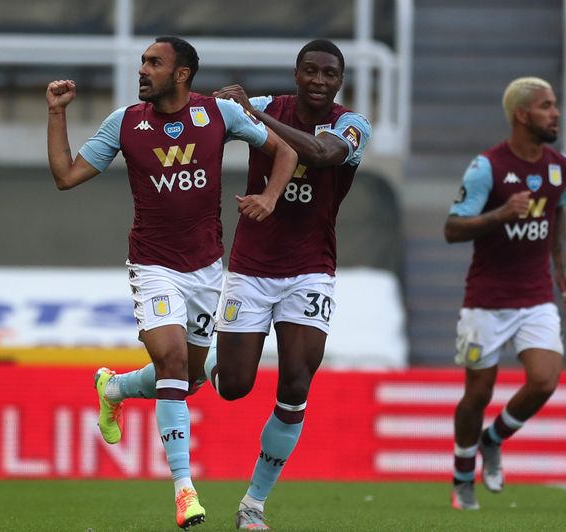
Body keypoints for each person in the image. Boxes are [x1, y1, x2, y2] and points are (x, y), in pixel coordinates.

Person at [97, 39, 371, 530]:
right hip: (249, 267)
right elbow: (208, 110)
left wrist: (254, 116)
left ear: (340, 81)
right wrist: (229, 109)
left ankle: (253, 505)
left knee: (295, 383)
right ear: (296, 73)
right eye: (310, 71)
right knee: (227, 386)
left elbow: (323, 153)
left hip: (312, 268)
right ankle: (120, 385)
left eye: (329, 74)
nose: (319, 81)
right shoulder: (262, 107)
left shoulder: (352, 125)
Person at [47, 36, 297, 530]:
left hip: (205, 270)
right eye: (143, 61)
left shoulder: (219, 115)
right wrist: (56, 113)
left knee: (190, 378)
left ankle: (114, 388)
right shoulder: (125, 123)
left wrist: (269, 197)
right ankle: (185, 491)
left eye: (154, 63)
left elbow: (283, 151)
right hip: (152, 265)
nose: (143, 70)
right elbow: (65, 175)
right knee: (174, 362)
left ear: (182, 74)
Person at [445, 76, 566, 511]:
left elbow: (555, 215)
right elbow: (452, 228)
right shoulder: (487, 167)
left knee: (544, 379)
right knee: (478, 394)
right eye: (547, 106)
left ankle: (493, 438)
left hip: (536, 295)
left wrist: (559, 267)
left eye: (554, 105)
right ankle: (463, 475)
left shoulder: (561, 167)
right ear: (523, 115)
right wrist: (501, 212)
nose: (555, 113)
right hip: (487, 300)